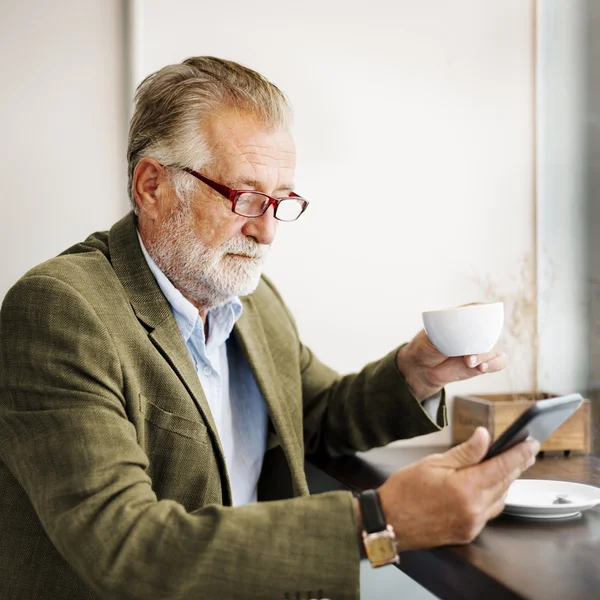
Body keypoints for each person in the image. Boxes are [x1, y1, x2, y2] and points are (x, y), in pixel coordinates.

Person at [0, 57, 537, 600]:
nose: (266, 232)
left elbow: (314, 415)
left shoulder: (244, 295)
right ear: (152, 186)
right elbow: (126, 548)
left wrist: (414, 374)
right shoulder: (60, 312)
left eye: (280, 201)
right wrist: (378, 519)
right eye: (246, 197)